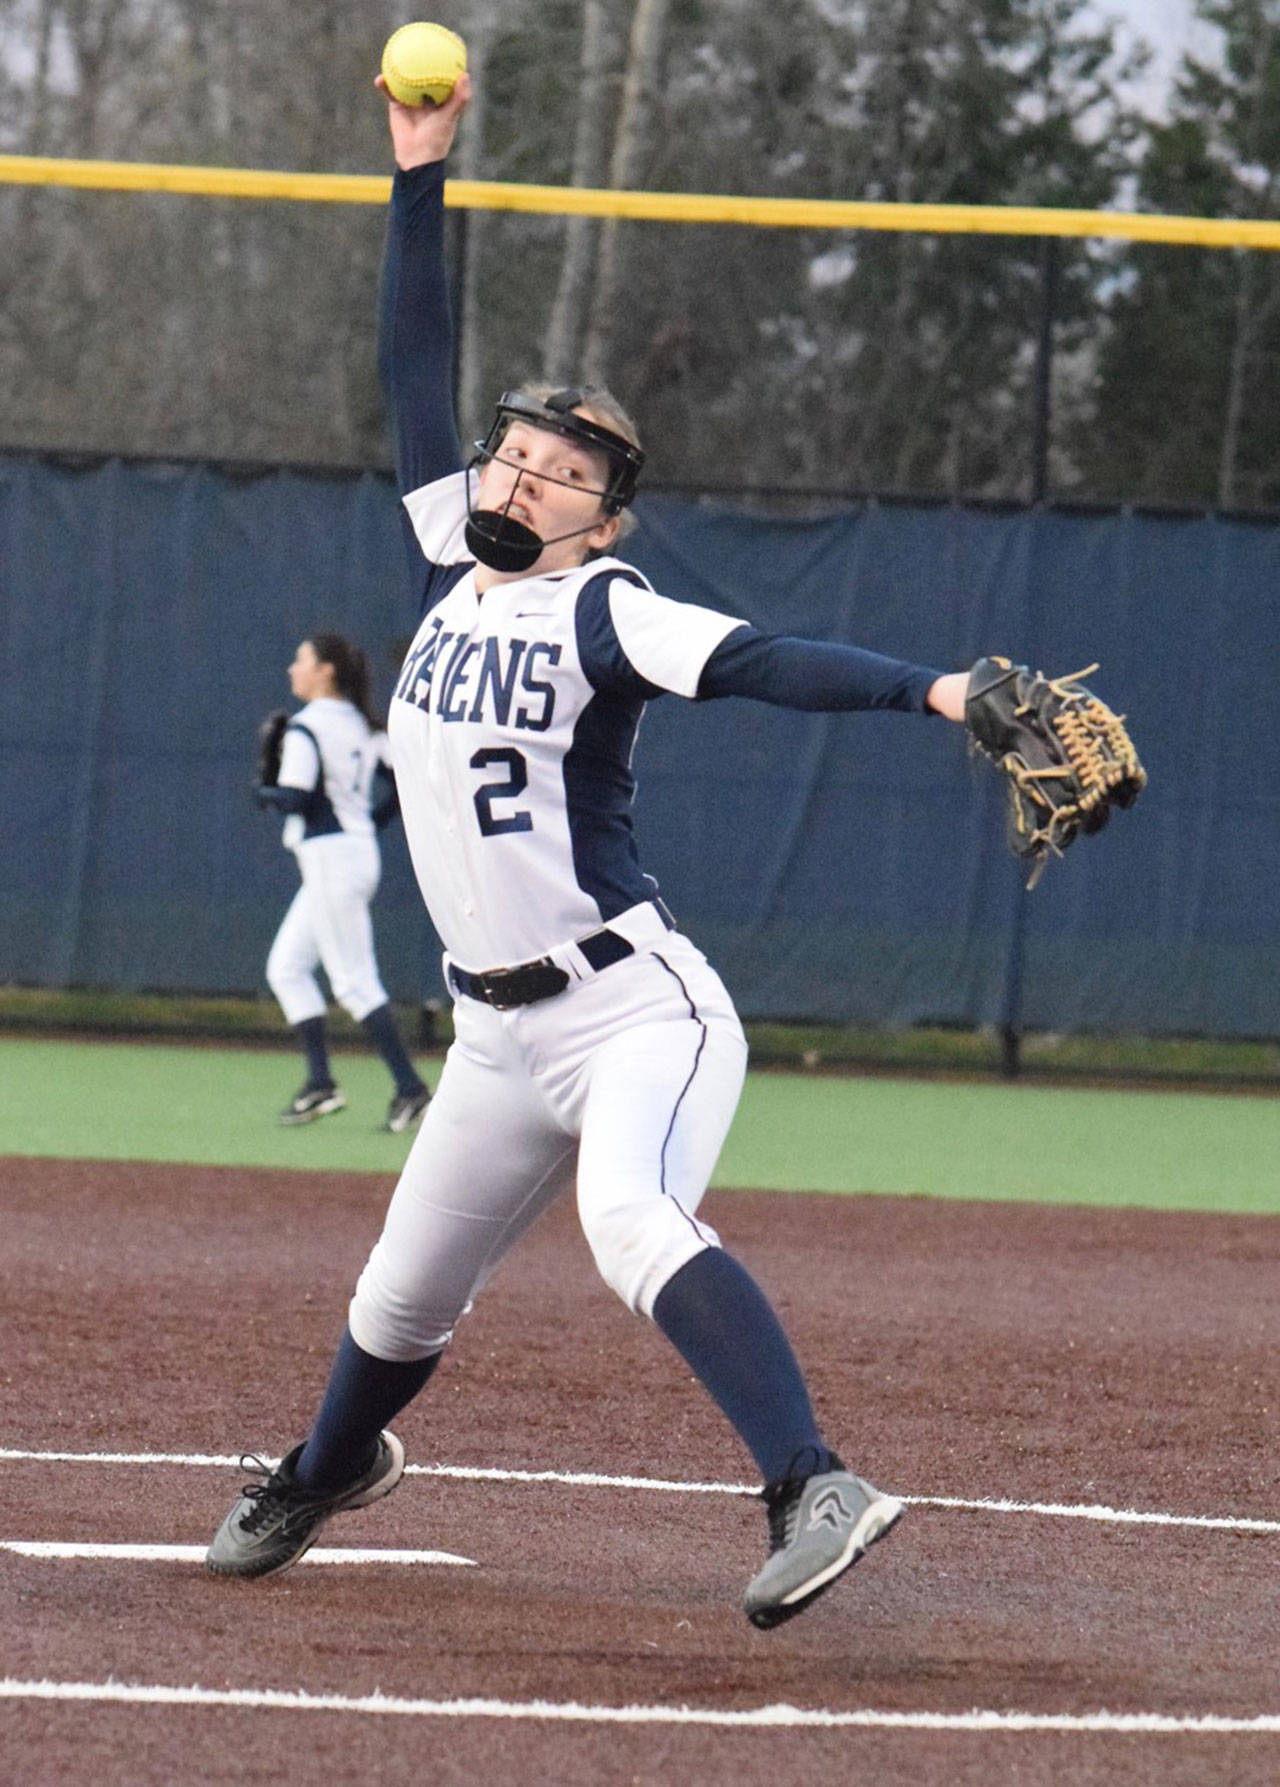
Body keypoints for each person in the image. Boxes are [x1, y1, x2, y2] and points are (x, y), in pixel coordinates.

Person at [207, 71, 970, 1630]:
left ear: (605, 519)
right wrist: (418, 175)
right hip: (493, 1027)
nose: (527, 476)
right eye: (517, 454)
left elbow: (766, 657)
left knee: (631, 1218)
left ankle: (811, 1480)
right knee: (399, 1298)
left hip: (636, 1009)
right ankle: (327, 1466)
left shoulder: (604, 607)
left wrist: (937, 688)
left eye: (568, 473)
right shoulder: (450, 566)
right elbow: (413, 363)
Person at [258, 631, 432, 1134]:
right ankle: (320, 1084)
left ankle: (410, 1089)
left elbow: (295, 798)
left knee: (354, 981)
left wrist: (262, 789)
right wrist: (367, 827)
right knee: (287, 967)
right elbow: (402, 784)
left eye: (302, 660)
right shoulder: (362, 723)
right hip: (348, 855)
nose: (294, 668)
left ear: (326, 671)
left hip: (333, 860)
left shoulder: (307, 726)